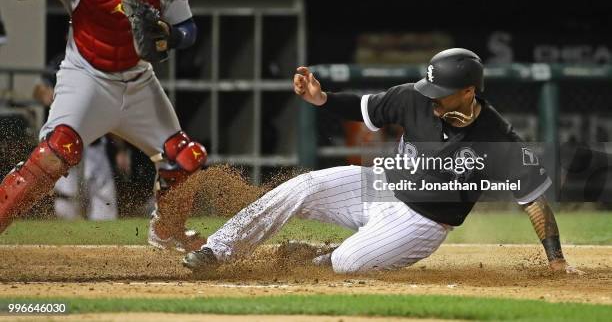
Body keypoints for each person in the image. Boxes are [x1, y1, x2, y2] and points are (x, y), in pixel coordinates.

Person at [184, 48, 583, 275]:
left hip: (422, 222)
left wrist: (556, 260)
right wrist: (321, 100)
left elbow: (533, 200)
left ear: (468, 92)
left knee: (345, 264)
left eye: (442, 91)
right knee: (303, 186)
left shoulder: (496, 137)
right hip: (378, 185)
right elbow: (363, 107)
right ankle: (216, 250)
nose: (432, 97)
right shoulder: (414, 97)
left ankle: (318, 255)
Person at [2, 0, 208, 252]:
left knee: (185, 158)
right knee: (53, 153)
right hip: (87, 76)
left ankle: (167, 233)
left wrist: (169, 36)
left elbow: (189, 30)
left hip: (138, 80)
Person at [33, 53, 118, 221]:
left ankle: (103, 244)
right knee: (66, 201)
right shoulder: (62, 61)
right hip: (64, 142)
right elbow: (39, 90)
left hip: (93, 142)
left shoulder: (102, 62)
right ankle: (69, 243)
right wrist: (52, 95)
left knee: (104, 201)